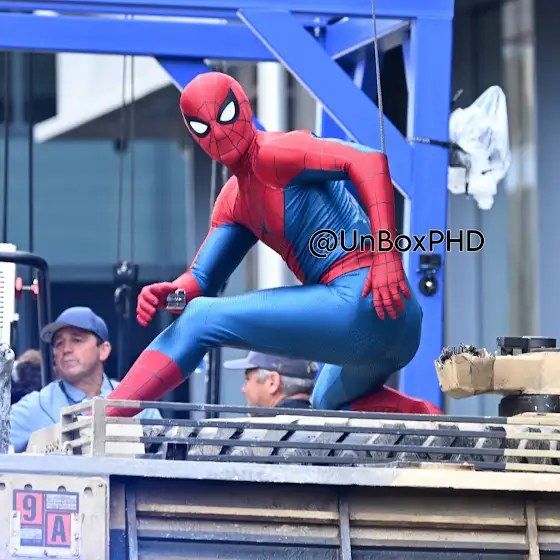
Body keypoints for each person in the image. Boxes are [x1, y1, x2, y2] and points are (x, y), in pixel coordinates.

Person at [101, 71, 423, 418]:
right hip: (390, 331)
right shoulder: (233, 202)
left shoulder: (276, 151)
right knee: (326, 401)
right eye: (202, 127)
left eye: (225, 116)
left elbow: (369, 160)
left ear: (243, 107)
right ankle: (427, 415)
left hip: (369, 297)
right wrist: (172, 295)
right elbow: (200, 281)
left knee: (201, 317)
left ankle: (105, 415)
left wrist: (387, 255)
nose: (218, 133)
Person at [10, 307, 162, 453]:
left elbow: (165, 457)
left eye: (77, 340)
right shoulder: (34, 407)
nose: (66, 349)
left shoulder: (135, 399)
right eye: (59, 344)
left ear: (103, 350)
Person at [224, 351, 316, 410]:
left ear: (272, 382)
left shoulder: (264, 431)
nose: (243, 389)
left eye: (247, 379)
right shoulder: (321, 424)